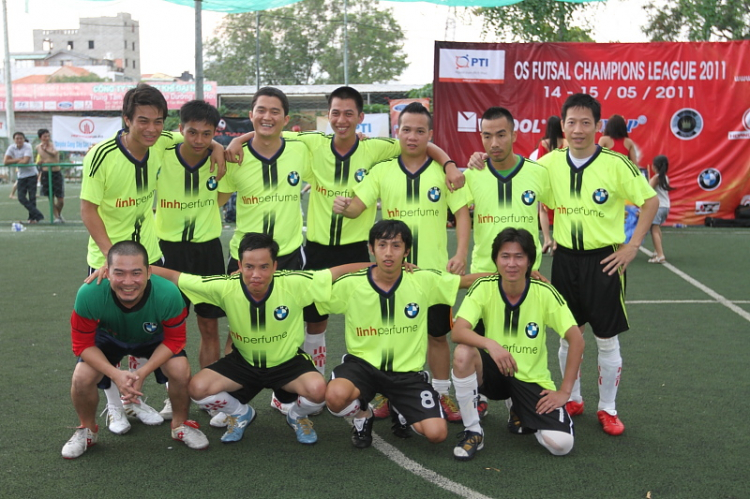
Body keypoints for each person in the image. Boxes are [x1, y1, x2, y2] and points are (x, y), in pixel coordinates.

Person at [224, 87, 464, 408]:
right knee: (313, 321)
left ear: (361, 118)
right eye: (335, 113)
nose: (341, 120)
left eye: (349, 113)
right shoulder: (311, 142)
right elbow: (269, 131)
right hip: (317, 250)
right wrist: (236, 140)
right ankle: (311, 387)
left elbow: (421, 142)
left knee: (374, 321)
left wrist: (448, 163)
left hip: (357, 252)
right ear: (327, 116)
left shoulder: (376, 149)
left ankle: (380, 385)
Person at [81, 83, 225, 431]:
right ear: (126, 119)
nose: (150, 128)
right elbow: (88, 210)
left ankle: (144, 397)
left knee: (150, 331)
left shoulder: (162, 143)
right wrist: (110, 258)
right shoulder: (100, 155)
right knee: (110, 333)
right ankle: (116, 406)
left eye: (157, 121)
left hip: (152, 256)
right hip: (110, 262)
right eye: (142, 120)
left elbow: (199, 138)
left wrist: (220, 145)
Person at [150, 232, 370, 445]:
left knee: (319, 391)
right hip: (244, 363)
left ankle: (296, 416)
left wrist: (384, 267)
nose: (256, 274)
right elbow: (176, 277)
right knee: (197, 388)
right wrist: (138, 269)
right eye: (249, 267)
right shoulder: (225, 286)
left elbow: (337, 272)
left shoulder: (295, 283)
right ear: (239, 265)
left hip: (287, 363)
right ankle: (241, 413)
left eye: (264, 267)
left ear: (275, 266)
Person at [333, 102, 471, 423]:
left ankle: (440, 392)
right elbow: (358, 206)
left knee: (438, 335)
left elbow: (462, 213)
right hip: (394, 273)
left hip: (434, 272)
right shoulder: (382, 170)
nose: (412, 136)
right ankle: (386, 391)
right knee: (390, 332)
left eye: (420, 131)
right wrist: (345, 206)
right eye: (406, 130)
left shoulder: (442, 171)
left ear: (430, 135)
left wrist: (461, 253)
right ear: (397, 132)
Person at [536, 94, 658, 436]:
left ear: (598, 126)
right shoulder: (547, 164)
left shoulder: (617, 164)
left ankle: (608, 408)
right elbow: (520, 185)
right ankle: (572, 397)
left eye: (585, 122)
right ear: (563, 126)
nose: (578, 130)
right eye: (571, 123)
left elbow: (649, 201)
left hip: (605, 261)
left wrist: (633, 246)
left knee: (606, 340)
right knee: (566, 336)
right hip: (565, 261)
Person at [320, 220, 485, 449]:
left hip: (406, 374)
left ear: (407, 251)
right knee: (335, 398)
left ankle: (400, 406)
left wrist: (514, 274)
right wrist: (363, 266)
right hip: (363, 367)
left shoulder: (421, 280)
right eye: (382, 245)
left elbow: (465, 282)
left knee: (437, 434)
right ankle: (363, 415)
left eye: (396, 246)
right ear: (371, 248)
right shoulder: (352, 284)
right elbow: (314, 286)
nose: (389, 253)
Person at [62, 241, 208, 459]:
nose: (128, 282)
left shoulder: (168, 293)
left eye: (136, 273)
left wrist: (143, 372)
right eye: (119, 273)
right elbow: (81, 345)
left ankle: (180, 425)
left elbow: (175, 341)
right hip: (109, 337)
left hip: (152, 338)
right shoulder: (89, 293)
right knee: (82, 376)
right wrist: (115, 374)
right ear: (107, 272)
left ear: (149, 272)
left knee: (179, 368)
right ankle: (87, 430)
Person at [451, 228, 583, 460]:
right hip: (494, 370)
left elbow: (577, 340)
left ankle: (519, 408)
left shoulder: (544, 292)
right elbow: (459, 331)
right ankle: (473, 430)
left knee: (562, 445)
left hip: (530, 378)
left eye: (519, 256)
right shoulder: (484, 286)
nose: (512, 263)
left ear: (530, 261)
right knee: (463, 353)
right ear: (496, 260)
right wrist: (491, 345)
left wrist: (564, 391)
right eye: (505, 256)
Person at [464, 107, 553, 278]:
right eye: (487, 136)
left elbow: (560, 205)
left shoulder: (538, 173)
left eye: (501, 135)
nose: (494, 143)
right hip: (484, 272)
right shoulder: (471, 175)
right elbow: (459, 216)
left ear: (514, 136)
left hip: (527, 271)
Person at [5, 132, 43, 223]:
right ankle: (37, 214)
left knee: (32, 197)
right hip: (21, 175)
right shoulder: (11, 148)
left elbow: (26, 161)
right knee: (21, 197)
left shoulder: (27, 146)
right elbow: (6, 161)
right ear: (14, 139)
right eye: (17, 138)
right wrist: (18, 160)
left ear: (23, 139)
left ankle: (32, 218)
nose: (19, 140)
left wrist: (13, 161)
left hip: (31, 175)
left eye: (21, 138)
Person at [647, 155, 674, 264]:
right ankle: (657, 251)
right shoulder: (665, 178)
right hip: (665, 207)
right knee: (656, 229)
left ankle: (660, 255)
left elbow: (647, 191)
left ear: (654, 166)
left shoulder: (656, 178)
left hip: (658, 207)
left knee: (654, 229)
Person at [36, 128, 65, 223]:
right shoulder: (38, 147)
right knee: (50, 197)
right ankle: (56, 217)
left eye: (48, 136)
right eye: (45, 136)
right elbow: (40, 160)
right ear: (40, 137)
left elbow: (54, 158)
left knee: (60, 199)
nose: (47, 138)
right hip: (45, 173)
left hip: (56, 173)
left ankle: (58, 214)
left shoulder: (54, 146)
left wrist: (46, 151)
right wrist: (41, 162)